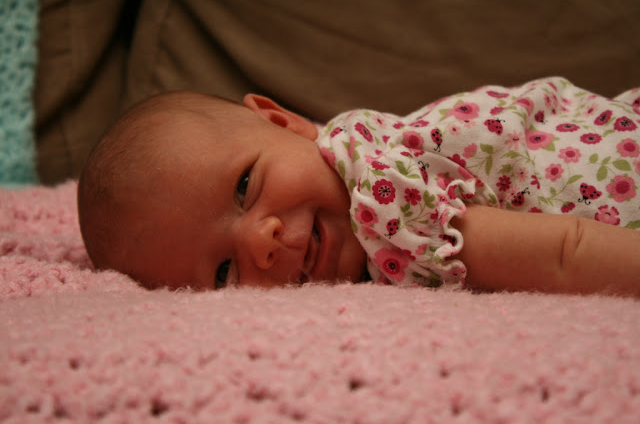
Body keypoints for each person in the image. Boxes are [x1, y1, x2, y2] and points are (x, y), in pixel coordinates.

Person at [77, 77, 640, 296]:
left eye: (245, 187)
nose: (260, 240)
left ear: (282, 121)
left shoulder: (390, 207)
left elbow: (567, 252)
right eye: (224, 272)